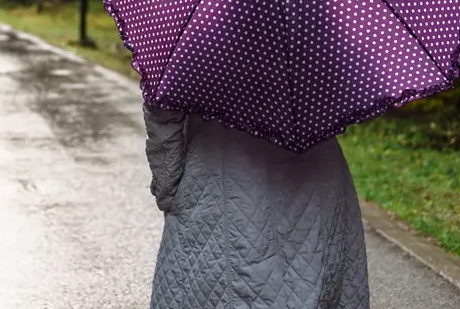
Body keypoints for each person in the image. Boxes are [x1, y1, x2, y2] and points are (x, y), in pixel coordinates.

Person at [144, 105, 369, 308]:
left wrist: (168, 189)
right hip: (317, 171)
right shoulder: (316, 60)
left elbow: (163, 116)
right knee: (311, 276)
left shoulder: (193, 61)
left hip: (220, 172)